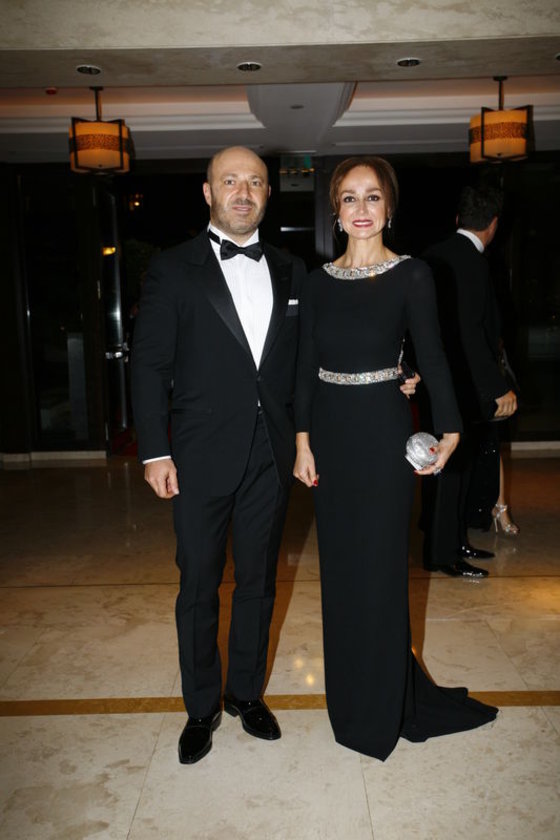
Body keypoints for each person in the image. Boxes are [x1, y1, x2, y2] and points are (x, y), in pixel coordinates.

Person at [131, 144, 423, 765]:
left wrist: (394, 375)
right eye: (230, 182)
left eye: (255, 182)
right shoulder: (173, 268)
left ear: (268, 194)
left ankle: (245, 693)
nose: (243, 192)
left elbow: (320, 355)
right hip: (198, 456)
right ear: (208, 193)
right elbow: (150, 365)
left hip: (272, 453)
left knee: (260, 582)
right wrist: (155, 451)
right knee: (199, 583)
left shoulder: (294, 271)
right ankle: (201, 707)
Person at [293, 156, 497, 761]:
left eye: (373, 196)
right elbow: (305, 367)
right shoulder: (316, 282)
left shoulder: (413, 275)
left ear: (389, 207)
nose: (361, 208)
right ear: (336, 210)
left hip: (383, 435)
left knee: (381, 572)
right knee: (341, 575)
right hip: (331, 438)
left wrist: (450, 427)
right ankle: (350, 699)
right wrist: (302, 441)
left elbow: (432, 355)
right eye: (349, 198)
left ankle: (384, 703)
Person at [421, 185, 518, 577]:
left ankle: (450, 541)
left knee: (443, 467)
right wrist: (497, 386)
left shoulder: (432, 256)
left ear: (458, 218)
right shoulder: (474, 263)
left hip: (435, 380)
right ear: (493, 225)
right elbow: (471, 333)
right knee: (453, 469)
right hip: (461, 384)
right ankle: (444, 553)